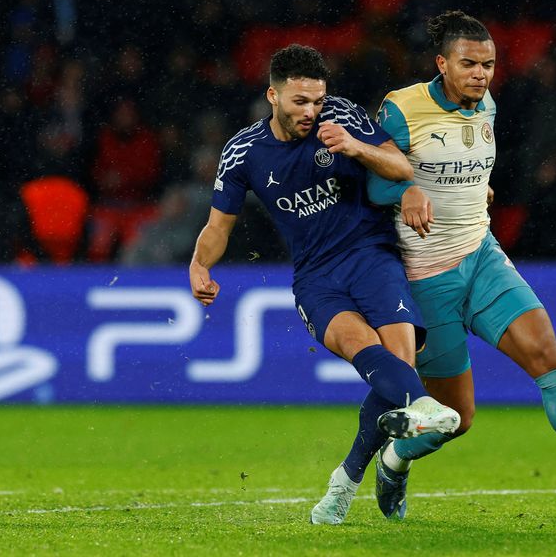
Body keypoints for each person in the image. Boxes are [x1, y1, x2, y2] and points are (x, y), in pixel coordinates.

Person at [367, 11, 556, 526]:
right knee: (457, 419)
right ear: (442, 64)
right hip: (427, 278)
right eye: (469, 64)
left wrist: (475, 190)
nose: (480, 74)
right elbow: (374, 175)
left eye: (489, 65)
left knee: (551, 359)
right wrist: (403, 188)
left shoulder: (488, 104)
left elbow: (465, 163)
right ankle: (392, 461)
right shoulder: (400, 108)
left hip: (482, 256)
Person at [188, 44, 460, 525]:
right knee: (364, 351)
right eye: (299, 102)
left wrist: (355, 147)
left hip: (372, 257)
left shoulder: (342, 116)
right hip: (316, 278)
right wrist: (199, 265)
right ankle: (419, 410)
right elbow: (218, 227)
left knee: (397, 367)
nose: (311, 112)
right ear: (273, 95)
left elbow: (401, 169)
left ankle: (347, 482)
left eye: (317, 100)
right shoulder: (243, 151)